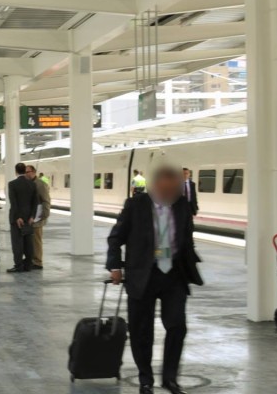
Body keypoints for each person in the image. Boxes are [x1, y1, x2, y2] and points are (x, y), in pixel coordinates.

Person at [107, 165, 203, 394]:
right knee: (141, 331)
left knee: (177, 326)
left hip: (174, 275)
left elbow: (186, 237)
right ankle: (145, 379)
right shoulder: (135, 205)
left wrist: (190, 264)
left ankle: (170, 378)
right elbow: (115, 237)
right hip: (143, 274)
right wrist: (114, 266)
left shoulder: (182, 205)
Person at [6, 163, 39, 273]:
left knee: (17, 243)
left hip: (17, 219)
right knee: (28, 242)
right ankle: (28, 265)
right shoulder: (32, 184)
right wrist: (32, 216)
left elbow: (13, 202)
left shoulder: (12, 184)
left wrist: (17, 217)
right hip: (29, 218)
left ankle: (18, 265)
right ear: (25, 171)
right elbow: (35, 202)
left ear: (16, 171)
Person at [26, 165, 51, 270]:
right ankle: (32, 259)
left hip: (38, 216)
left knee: (36, 240)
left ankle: (38, 261)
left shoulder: (41, 184)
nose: (27, 174)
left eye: (28, 172)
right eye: (25, 172)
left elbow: (46, 200)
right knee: (31, 240)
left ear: (34, 172)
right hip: (30, 217)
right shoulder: (28, 183)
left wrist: (44, 215)